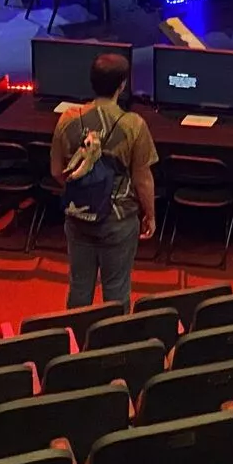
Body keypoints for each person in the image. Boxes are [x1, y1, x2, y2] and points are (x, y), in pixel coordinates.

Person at [49, 51, 158, 309]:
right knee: (117, 291)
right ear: (123, 85)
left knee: (79, 288)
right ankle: (114, 347)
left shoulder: (68, 119)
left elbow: (56, 171)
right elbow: (143, 178)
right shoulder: (134, 125)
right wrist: (150, 215)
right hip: (118, 220)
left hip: (78, 217)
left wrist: (84, 192)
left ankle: (76, 343)